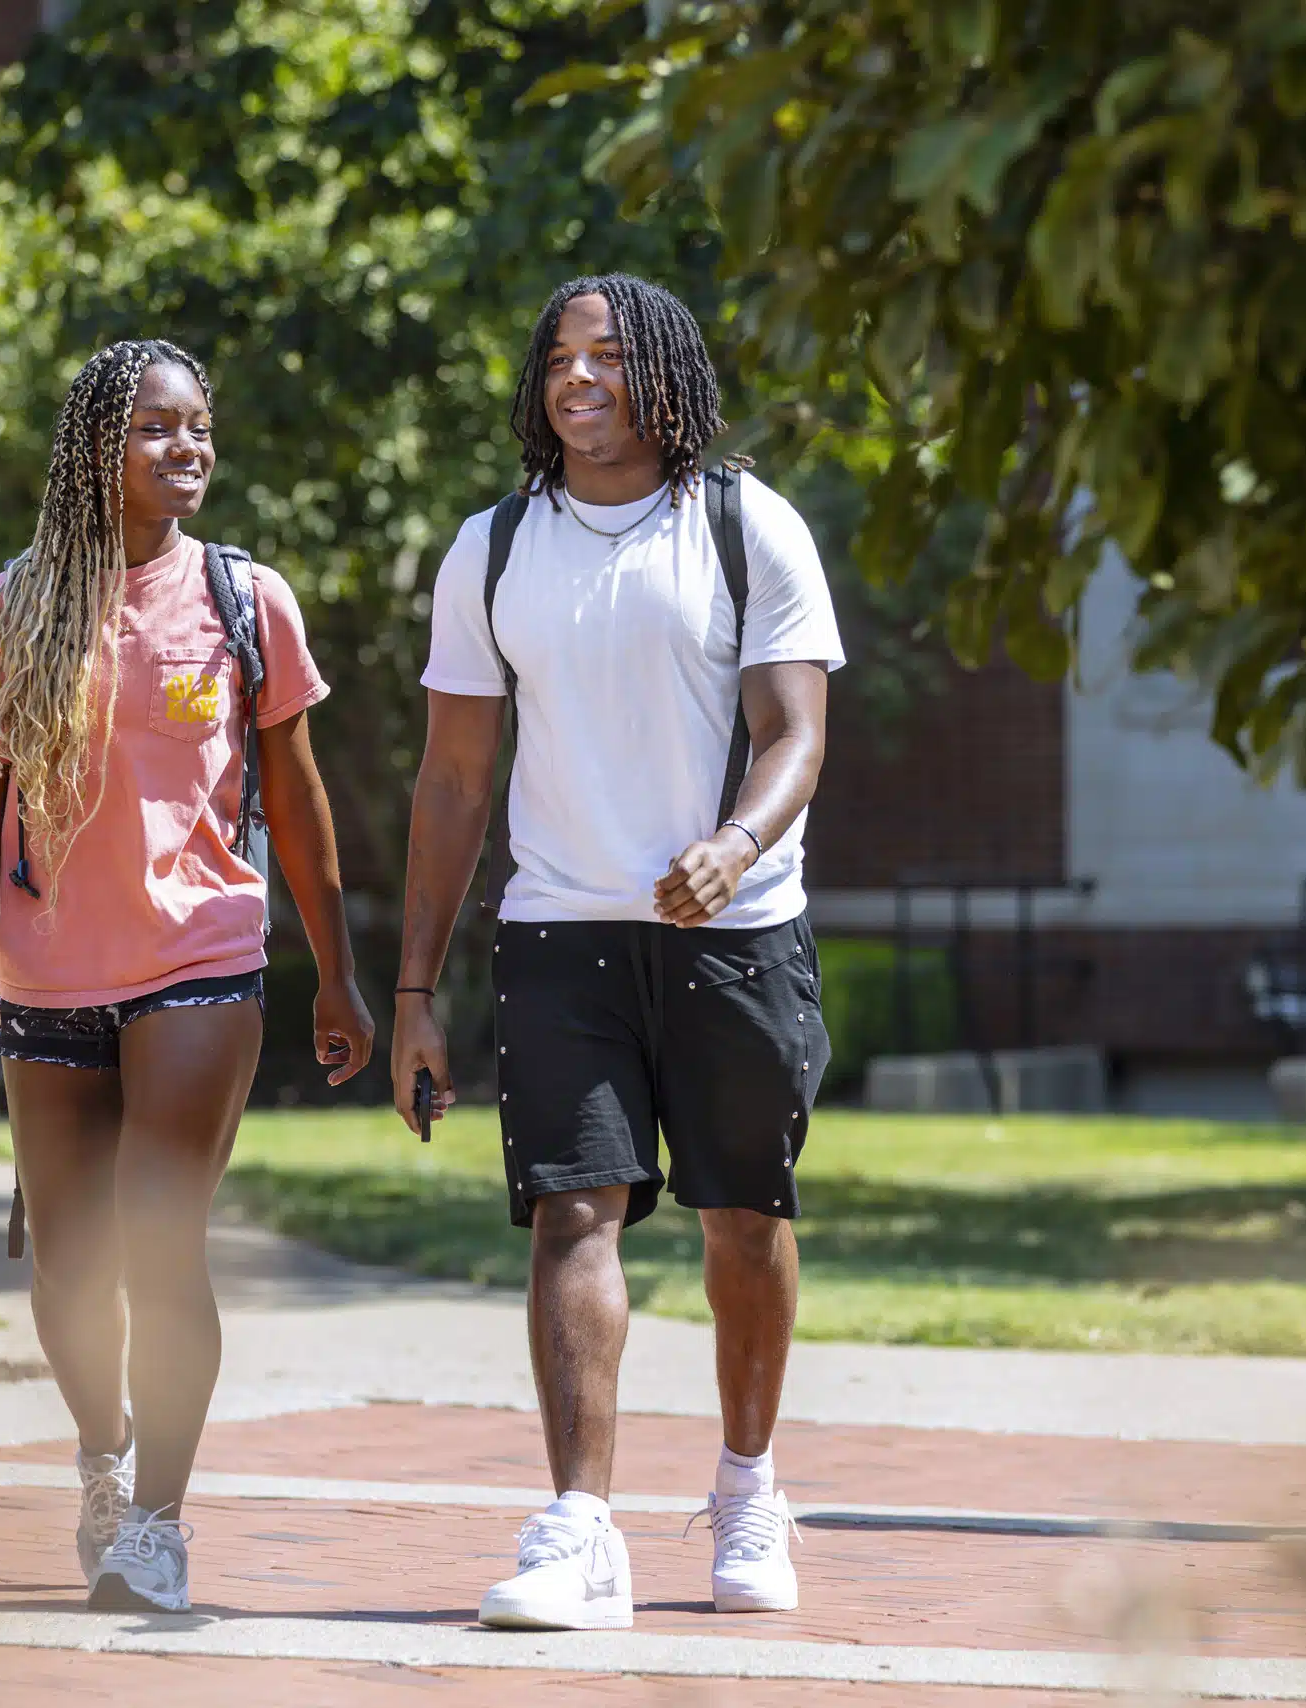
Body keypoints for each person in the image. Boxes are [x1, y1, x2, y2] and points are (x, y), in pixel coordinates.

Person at [390, 275, 842, 1631]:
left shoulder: (745, 525)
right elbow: (455, 781)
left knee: (743, 1220)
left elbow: (796, 736)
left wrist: (736, 843)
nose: (576, 381)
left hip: (733, 936)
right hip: (560, 929)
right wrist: (415, 989)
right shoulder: (492, 549)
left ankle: (749, 1485)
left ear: (665, 375)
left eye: (607, 358)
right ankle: (581, 1528)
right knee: (571, 1211)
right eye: (558, 361)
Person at [0, 338, 372, 1614]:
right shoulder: (10, 609)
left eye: (200, 427)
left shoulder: (244, 599)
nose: (189, 448)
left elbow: (295, 795)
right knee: (69, 1264)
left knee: (160, 1237)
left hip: (202, 957)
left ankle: (162, 1525)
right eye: (156, 430)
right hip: (50, 969)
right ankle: (103, 1453)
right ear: (94, 452)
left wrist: (338, 976)